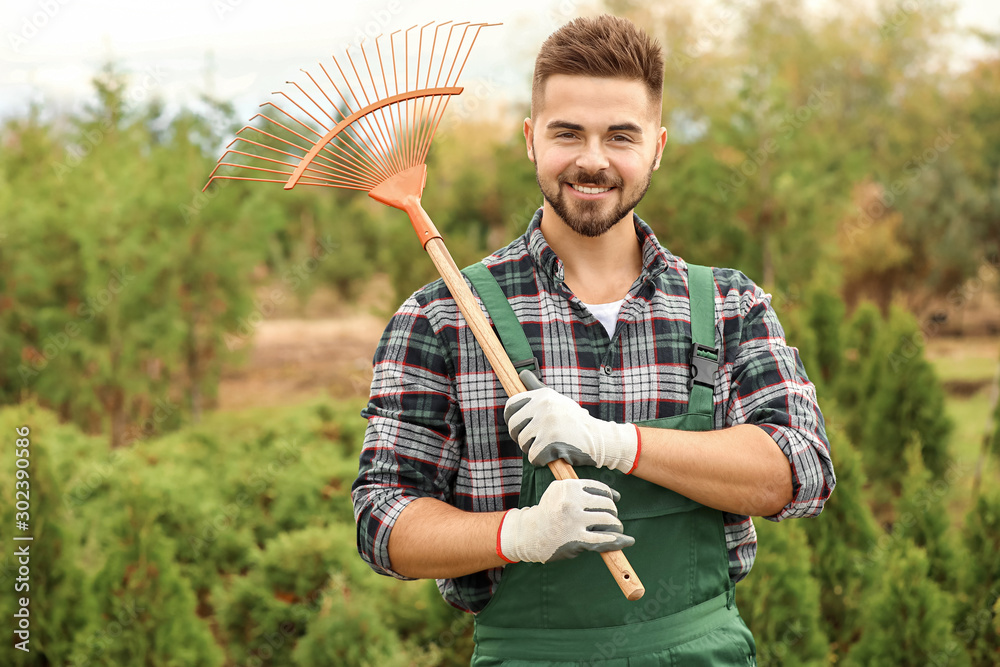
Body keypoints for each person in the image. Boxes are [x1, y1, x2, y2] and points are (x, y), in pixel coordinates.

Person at [352, 14, 835, 665]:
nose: (592, 159)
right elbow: (383, 519)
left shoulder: (727, 305)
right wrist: (518, 532)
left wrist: (613, 440)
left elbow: (798, 470)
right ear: (530, 139)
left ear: (658, 146)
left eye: (620, 135)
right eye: (567, 133)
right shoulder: (442, 317)